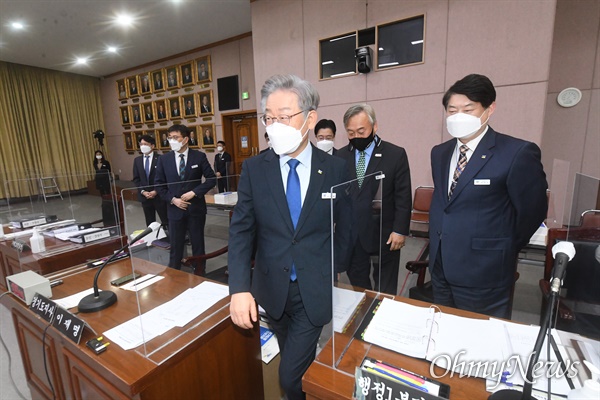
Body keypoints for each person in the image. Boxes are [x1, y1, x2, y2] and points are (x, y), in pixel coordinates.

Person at [228, 74, 351, 400]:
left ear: (309, 118)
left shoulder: (336, 168)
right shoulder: (255, 169)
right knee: (293, 358)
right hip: (270, 289)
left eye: (284, 117)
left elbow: (347, 225)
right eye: (269, 117)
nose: (274, 125)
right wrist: (239, 288)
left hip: (313, 288)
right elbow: (242, 229)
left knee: (288, 375)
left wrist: (331, 266)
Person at [428, 73, 548, 318]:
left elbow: (532, 211)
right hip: (441, 266)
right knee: (444, 332)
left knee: (481, 341)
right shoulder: (439, 153)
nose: (458, 116)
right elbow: (447, 204)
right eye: (452, 111)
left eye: (468, 109)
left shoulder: (516, 152)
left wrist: (503, 245)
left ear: (489, 109)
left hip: (485, 271)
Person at [338, 104, 412, 295]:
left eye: (361, 131)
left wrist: (400, 230)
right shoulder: (340, 156)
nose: (356, 137)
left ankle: (382, 319)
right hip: (353, 235)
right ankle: (363, 317)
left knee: (385, 287)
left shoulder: (395, 154)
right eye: (351, 132)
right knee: (358, 286)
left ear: (375, 126)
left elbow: (403, 196)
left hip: (384, 234)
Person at [155, 124, 216, 273]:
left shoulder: (199, 156)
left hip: (195, 208)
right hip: (174, 209)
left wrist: (194, 192)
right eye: (169, 138)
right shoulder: (164, 159)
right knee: (176, 244)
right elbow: (159, 185)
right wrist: (173, 199)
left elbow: (211, 179)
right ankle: (174, 272)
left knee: (197, 242)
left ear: (186, 139)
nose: (171, 141)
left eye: (175, 138)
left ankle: (200, 271)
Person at [132, 135, 168, 229]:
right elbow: (136, 179)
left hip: (159, 196)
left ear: (152, 146)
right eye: (141, 144)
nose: (143, 146)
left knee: (166, 220)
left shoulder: (161, 158)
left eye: (145, 144)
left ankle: (171, 239)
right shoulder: (137, 160)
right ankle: (152, 240)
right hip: (145, 197)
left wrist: (156, 191)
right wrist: (143, 191)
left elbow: (165, 178)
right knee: (149, 221)